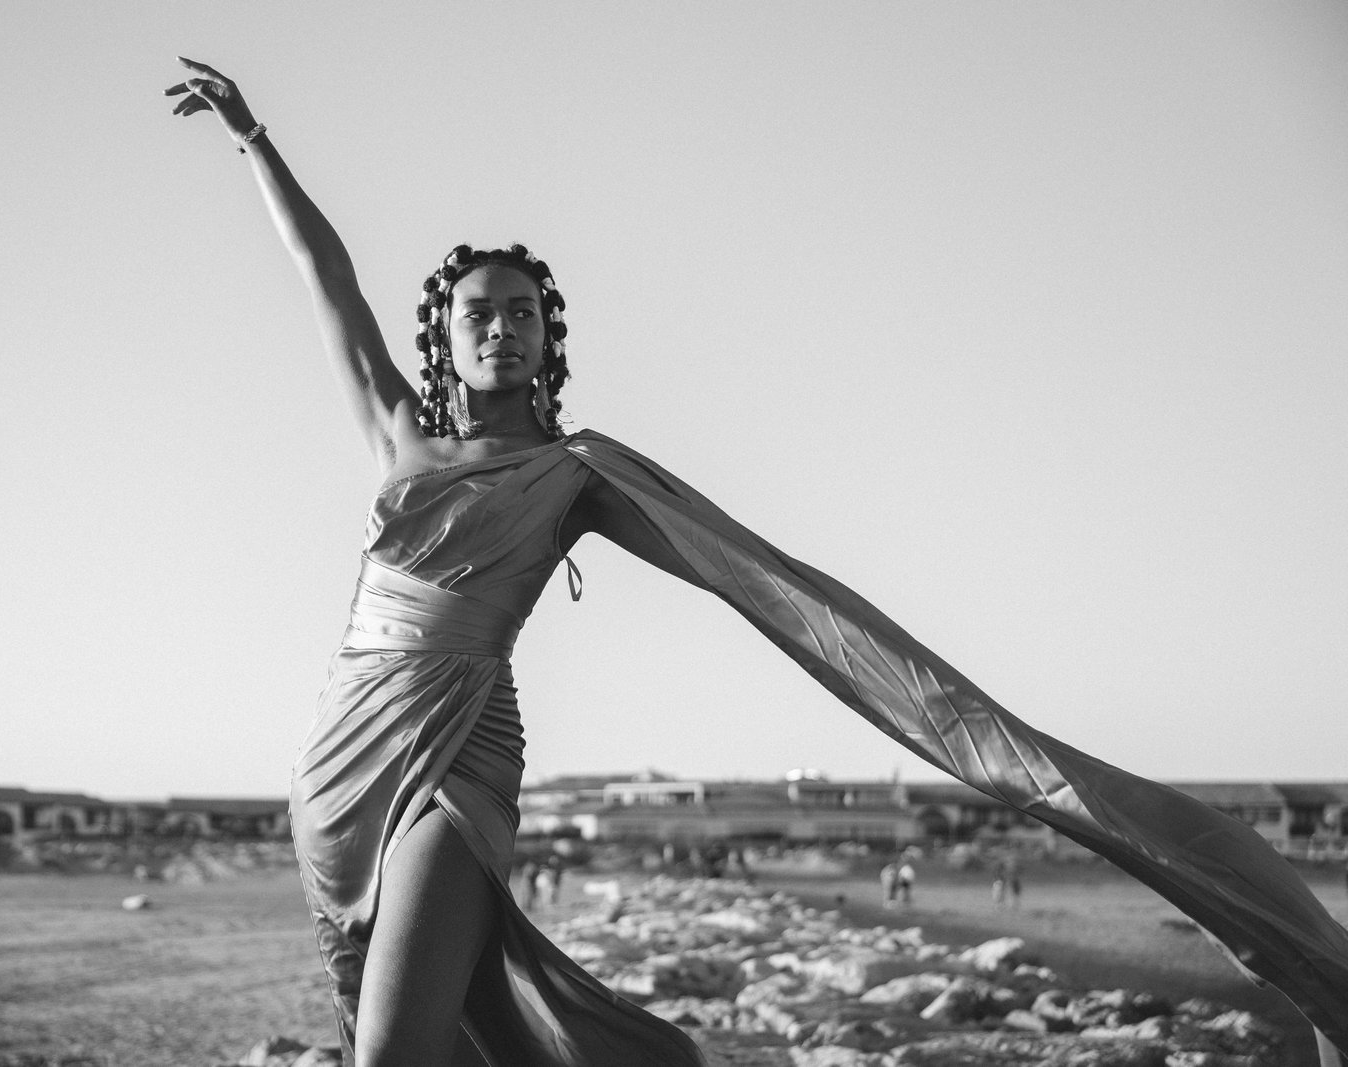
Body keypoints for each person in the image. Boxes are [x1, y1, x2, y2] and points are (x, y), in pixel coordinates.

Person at [165, 59, 1348, 1065]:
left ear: (546, 336)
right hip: (336, 762)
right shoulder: (396, 434)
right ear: (445, 333)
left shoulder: (581, 470)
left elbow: (758, 582)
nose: (501, 325)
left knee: (390, 1055)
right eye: (478, 310)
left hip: (459, 746)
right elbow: (328, 278)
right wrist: (255, 141)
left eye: (523, 310)